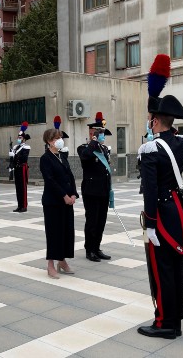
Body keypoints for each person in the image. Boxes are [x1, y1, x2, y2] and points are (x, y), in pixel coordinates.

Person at [138, 54, 183, 340]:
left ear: (155, 120)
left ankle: (164, 323)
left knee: (161, 269)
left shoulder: (151, 150)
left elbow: (150, 190)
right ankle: (176, 318)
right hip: (177, 210)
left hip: (160, 214)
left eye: (149, 119)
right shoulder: (181, 143)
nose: (148, 123)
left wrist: (149, 225)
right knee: (175, 265)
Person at [39, 128, 78, 279]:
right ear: (49, 141)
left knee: (66, 231)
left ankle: (62, 261)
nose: (60, 140)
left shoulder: (62, 156)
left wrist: (73, 193)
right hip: (53, 202)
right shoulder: (45, 158)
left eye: (60, 137)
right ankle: (50, 265)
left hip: (67, 201)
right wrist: (63, 195)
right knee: (54, 233)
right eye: (56, 138)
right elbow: (50, 180)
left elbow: (70, 175)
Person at [77, 112, 113, 262]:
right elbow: (85, 157)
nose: (102, 136)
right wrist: (93, 141)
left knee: (101, 221)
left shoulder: (104, 149)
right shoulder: (84, 148)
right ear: (92, 133)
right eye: (99, 133)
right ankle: (89, 249)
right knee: (92, 221)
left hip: (103, 190)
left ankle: (97, 248)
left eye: (103, 133)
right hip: (91, 191)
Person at [10, 122, 30, 212]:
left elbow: (24, 158)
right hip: (17, 168)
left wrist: (14, 154)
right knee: (18, 187)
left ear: (24, 139)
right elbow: (13, 160)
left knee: (23, 187)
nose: (19, 139)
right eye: (18, 137)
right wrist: (11, 161)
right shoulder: (16, 147)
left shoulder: (26, 147)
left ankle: (24, 206)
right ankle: (19, 205)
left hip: (22, 168)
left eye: (20, 138)